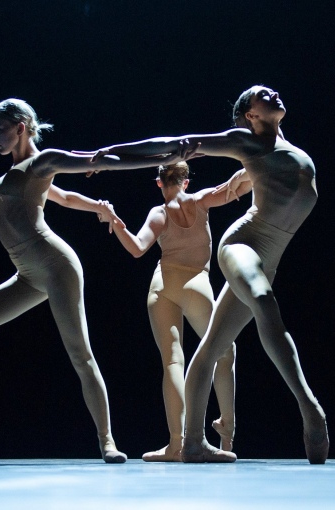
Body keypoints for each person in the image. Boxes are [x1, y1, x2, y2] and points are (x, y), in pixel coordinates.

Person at [0, 98, 190, 464]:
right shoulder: (14, 174)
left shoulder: (44, 160)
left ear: (20, 126)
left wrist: (160, 159)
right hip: (28, 274)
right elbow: (62, 196)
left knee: (80, 355)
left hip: (56, 265)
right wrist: (97, 206)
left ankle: (107, 440)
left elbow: (100, 161)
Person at [88, 85, 329, 464]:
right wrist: (112, 157)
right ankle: (309, 408)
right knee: (263, 303)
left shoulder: (286, 149)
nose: (275, 92)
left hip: (267, 257)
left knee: (211, 349)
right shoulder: (245, 142)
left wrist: (236, 184)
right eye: (262, 94)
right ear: (249, 114)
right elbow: (177, 144)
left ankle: (194, 442)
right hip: (243, 245)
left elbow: (221, 190)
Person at [102, 161, 252, 461]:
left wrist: (113, 219)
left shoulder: (158, 214)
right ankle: (227, 426)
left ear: (159, 183)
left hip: (162, 287)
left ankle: (175, 443)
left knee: (172, 362)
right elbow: (240, 185)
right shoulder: (201, 200)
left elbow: (135, 248)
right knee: (224, 351)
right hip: (196, 284)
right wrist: (254, 161)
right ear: (185, 181)